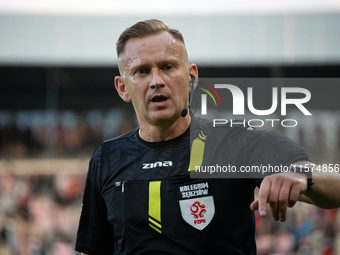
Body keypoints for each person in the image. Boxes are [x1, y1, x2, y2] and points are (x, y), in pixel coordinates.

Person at [75, 19, 340, 255]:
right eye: (142, 71)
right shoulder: (107, 158)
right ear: (123, 87)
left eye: (168, 67)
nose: (156, 80)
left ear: (192, 77)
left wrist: (303, 177)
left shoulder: (237, 141)